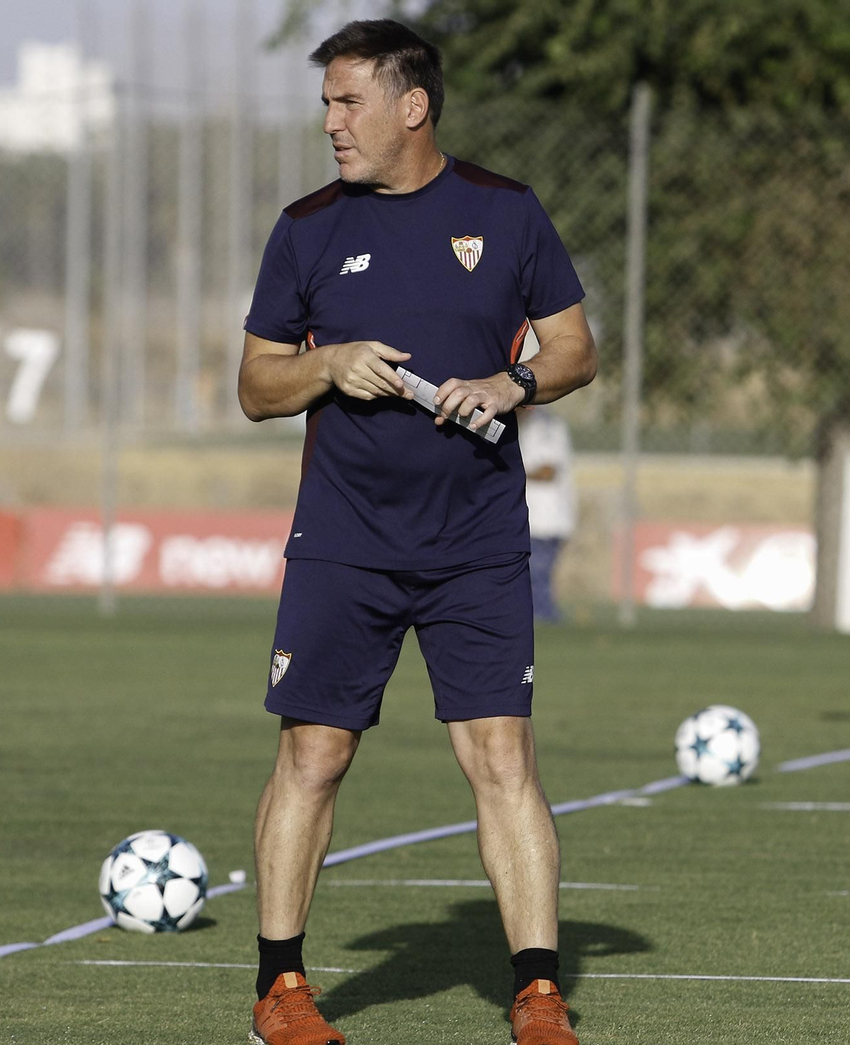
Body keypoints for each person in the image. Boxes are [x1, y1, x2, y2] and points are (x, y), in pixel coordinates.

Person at [237, 18, 597, 1045]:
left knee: (501, 758)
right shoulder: (305, 227)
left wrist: (509, 380)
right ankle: (283, 990)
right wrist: (327, 363)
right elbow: (256, 386)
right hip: (343, 541)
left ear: (413, 106)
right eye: (326, 102)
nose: (331, 122)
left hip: (478, 541)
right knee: (313, 753)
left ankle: (535, 992)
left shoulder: (505, 212)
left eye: (349, 102)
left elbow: (575, 348)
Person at [518, 404, 577, 622]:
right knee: (531, 577)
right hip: (529, 518)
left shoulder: (547, 426)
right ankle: (541, 619)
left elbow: (547, 470)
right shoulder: (522, 426)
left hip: (546, 518)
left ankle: (544, 619)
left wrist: (510, 472)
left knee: (537, 575)